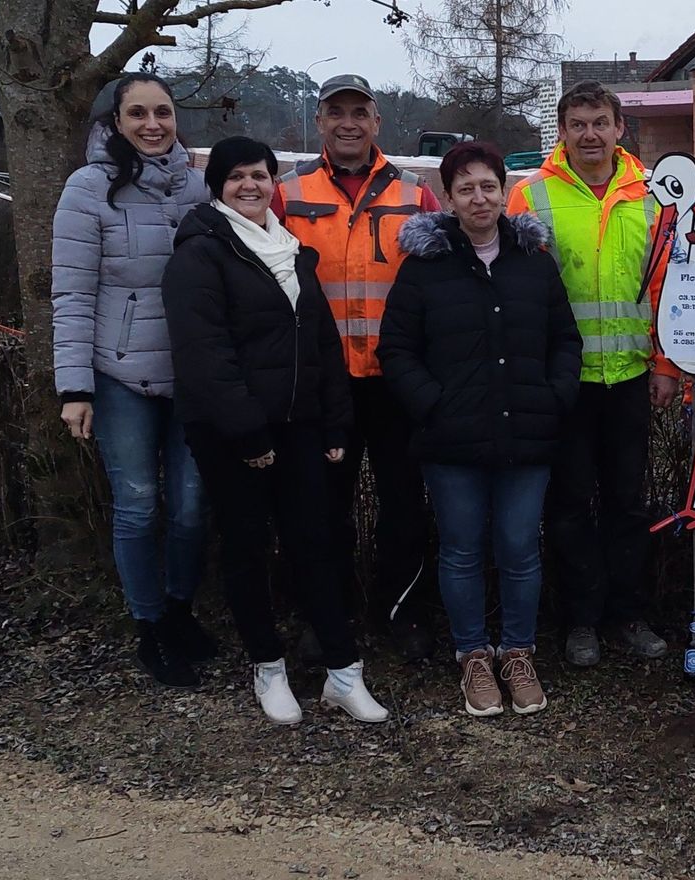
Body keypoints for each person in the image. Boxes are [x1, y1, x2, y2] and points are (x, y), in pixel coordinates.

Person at [162, 136, 388, 726]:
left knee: (315, 539)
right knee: (246, 547)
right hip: (231, 432)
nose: (250, 186)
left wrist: (335, 418)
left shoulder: (290, 249)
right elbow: (203, 354)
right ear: (218, 185)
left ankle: (343, 671)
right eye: (236, 176)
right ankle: (268, 666)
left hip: (299, 426)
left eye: (259, 175)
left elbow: (319, 343)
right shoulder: (201, 252)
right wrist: (247, 433)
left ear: (273, 182)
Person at [378, 142, 582, 717]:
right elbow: (397, 349)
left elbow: (565, 339)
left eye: (488, 185)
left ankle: (518, 651)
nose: (479, 197)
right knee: (462, 550)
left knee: (519, 547)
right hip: (452, 439)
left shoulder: (533, 259)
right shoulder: (426, 267)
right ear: (449, 198)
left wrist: (554, 395)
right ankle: (472, 655)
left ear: (504, 191)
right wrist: (432, 405)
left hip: (528, 433)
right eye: (465, 188)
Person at [506, 81, 677, 667]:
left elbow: (666, 289)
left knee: (629, 502)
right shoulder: (531, 196)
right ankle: (580, 621)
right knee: (571, 503)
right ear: (561, 130)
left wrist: (665, 365)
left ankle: (627, 615)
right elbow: (514, 292)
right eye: (577, 124)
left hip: (630, 377)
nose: (589, 135)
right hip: (565, 382)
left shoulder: (652, 195)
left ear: (618, 128)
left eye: (599, 122)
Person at [51, 72, 214, 689]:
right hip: (119, 373)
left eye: (163, 112)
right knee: (140, 503)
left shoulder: (198, 188)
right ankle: (148, 625)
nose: (152, 124)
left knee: (195, 506)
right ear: (115, 122)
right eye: (138, 113)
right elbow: (70, 291)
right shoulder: (89, 189)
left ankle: (179, 609)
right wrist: (75, 388)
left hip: (193, 374)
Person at [273, 74, 442, 661]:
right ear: (319, 121)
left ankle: (402, 613)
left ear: (377, 122)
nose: (348, 122)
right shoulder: (287, 193)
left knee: (403, 503)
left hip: (396, 380)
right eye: (335, 112)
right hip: (321, 382)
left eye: (360, 112)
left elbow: (440, 284)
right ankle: (327, 614)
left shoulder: (416, 195)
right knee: (322, 507)